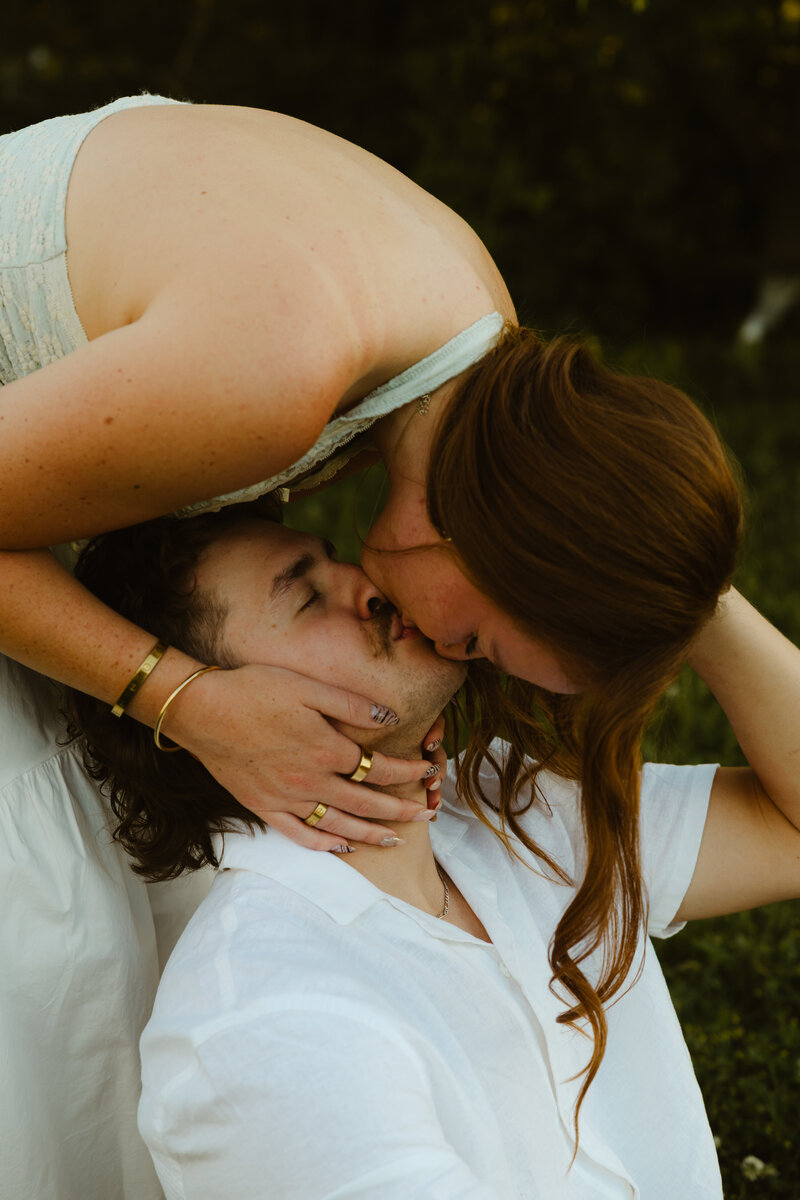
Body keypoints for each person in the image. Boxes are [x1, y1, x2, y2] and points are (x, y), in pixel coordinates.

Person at [0, 95, 742, 1196]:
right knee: (60, 991)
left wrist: (670, 564)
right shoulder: (274, 377)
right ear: (487, 539)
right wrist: (183, 698)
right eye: (481, 632)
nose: (443, 642)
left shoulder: (470, 338)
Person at [65, 502, 800, 1199]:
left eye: (335, 560)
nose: (369, 586)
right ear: (222, 720)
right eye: (306, 598)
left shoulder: (505, 801)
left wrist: (677, 575)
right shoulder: (267, 1021)